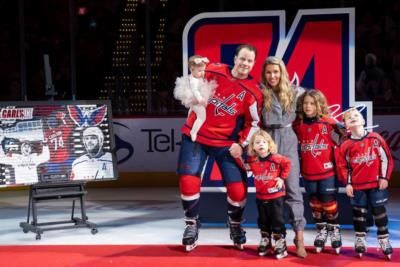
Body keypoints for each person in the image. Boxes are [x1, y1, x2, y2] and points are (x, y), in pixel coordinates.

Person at [177, 44, 263, 252]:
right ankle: (191, 224)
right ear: (235, 58)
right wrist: (196, 63)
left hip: (225, 143)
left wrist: (241, 144)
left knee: (238, 190)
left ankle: (235, 225)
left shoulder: (253, 92)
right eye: (242, 58)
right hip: (196, 136)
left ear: (253, 64)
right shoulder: (213, 69)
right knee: (188, 180)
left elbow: (254, 123)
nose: (245, 63)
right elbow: (193, 75)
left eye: (249, 61)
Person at [260, 56, 307, 258]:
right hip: (267, 140)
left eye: (276, 72)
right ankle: (272, 236)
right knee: (268, 193)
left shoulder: (297, 92)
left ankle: (299, 238)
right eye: (269, 72)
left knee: (293, 190)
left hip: (288, 140)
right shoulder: (260, 93)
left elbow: (315, 112)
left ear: (283, 72)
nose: (272, 76)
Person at [293, 89, 346, 254]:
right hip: (308, 172)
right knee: (315, 203)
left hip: (327, 172)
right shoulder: (297, 124)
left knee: (328, 202)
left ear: (319, 105)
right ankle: (321, 231)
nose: (308, 106)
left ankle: (334, 230)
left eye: (312, 103)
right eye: (305, 103)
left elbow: (345, 138)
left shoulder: (328, 123)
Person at [336, 108, 394, 260]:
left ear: (363, 121)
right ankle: (360, 238)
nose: (353, 118)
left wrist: (384, 177)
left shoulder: (375, 138)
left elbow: (386, 159)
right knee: (359, 214)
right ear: (346, 125)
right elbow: (344, 166)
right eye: (349, 118)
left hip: (376, 184)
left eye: (356, 115)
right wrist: (348, 183)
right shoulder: (346, 145)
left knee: (379, 212)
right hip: (357, 186)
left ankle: (383, 239)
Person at [245, 130, 290, 259]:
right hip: (261, 196)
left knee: (277, 219)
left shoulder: (276, 158)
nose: (261, 144)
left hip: (276, 196)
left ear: (269, 144)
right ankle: (265, 239)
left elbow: (287, 164)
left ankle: (280, 241)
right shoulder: (252, 160)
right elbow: (244, 166)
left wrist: (282, 178)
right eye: (257, 142)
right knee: (263, 220)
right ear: (253, 146)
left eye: (264, 142)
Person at [173, 55, 217, 141]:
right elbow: (195, 91)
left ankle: (188, 125)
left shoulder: (194, 77)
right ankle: (194, 131)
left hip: (193, 100)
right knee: (201, 117)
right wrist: (201, 100)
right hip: (196, 99)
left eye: (203, 70)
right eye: (200, 71)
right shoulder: (194, 81)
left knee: (192, 110)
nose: (203, 73)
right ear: (192, 69)